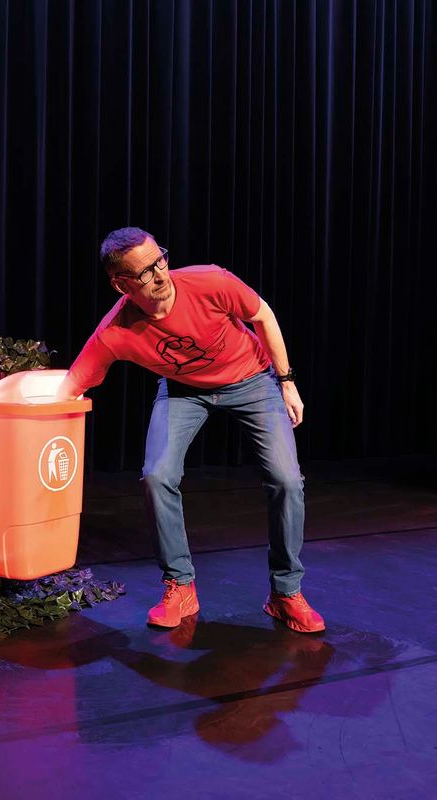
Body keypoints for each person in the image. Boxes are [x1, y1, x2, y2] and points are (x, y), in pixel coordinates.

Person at [54, 227, 324, 633]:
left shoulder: (211, 281)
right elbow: (71, 386)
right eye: (145, 272)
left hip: (252, 379)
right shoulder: (115, 331)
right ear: (121, 285)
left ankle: (285, 593)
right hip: (183, 391)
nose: (161, 275)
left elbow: (263, 315)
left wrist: (286, 381)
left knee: (287, 479)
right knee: (157, 475)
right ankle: (180, 585)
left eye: (160, 260)